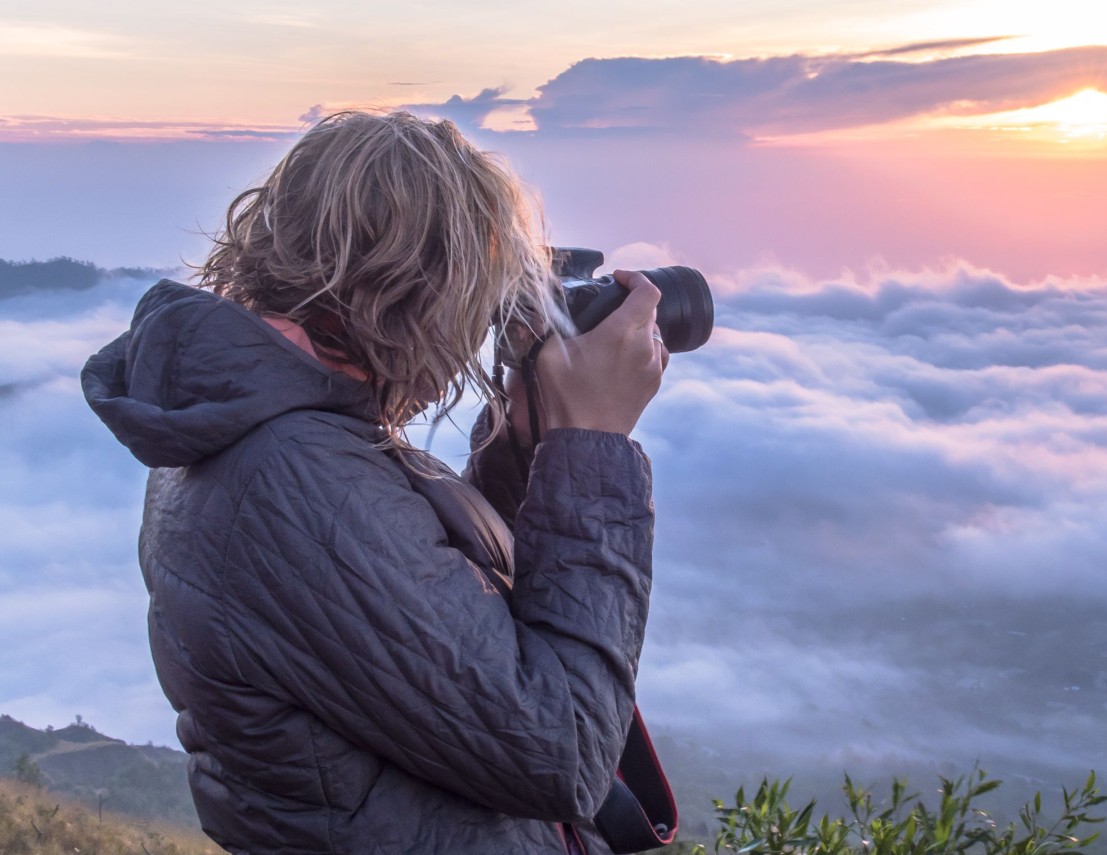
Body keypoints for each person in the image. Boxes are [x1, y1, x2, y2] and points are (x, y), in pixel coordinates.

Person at [81, 111, 667, 853]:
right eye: (473, 295)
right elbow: (568, 751)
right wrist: (593, 450)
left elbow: (431, 601)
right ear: (415, 290)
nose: (474, 331)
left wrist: (525, 444)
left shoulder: (271, 422)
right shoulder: (285, 480)